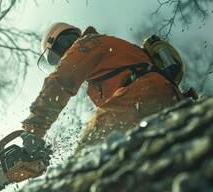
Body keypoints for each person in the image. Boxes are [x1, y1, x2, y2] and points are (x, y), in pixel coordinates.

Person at [21, 22, 185, 156]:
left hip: (143, 92)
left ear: (62, 43)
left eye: (57, 58)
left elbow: (60, 82)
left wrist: (33, 130)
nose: (61, 62)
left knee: (87, 154)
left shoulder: (87, 44)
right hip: (158, 97)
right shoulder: (97, 80)